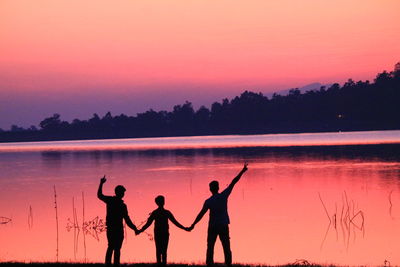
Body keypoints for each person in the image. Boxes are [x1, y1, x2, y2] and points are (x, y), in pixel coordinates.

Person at [189, 163, 248, 266]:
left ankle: (209, 264)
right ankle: (228, 264)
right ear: (218, 188)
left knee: (210, 246)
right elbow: (233, 182)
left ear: (210, 189)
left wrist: (193, 224)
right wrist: (242, 171)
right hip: (223, 225)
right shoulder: (223, 196)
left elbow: (201, 214)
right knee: (226, 246)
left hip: (213, 226)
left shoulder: (208, 201)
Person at [97, 175, 139, 266]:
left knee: (111, 247)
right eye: (123, 192)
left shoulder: (110, 200)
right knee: (116, 249)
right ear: (120, 193)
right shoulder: (122, 205)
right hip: (118, 230)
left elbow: (99, 195)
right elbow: (127, 220)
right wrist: (134, 228)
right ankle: (116, 264)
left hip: (111, 229)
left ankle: (108, 265)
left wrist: (101, 183)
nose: (124, 194)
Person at [138, 195, 190, 266]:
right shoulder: (164, 212)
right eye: (162, 201)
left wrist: (140, 230)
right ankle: (162, 264)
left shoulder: (157, 212)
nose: (163, 202)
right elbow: (175, 222)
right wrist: (184, 228)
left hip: (161, 233)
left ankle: (160, 264)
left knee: (160, 250)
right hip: (162, 233)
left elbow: (148, 224)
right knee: (162, 250)